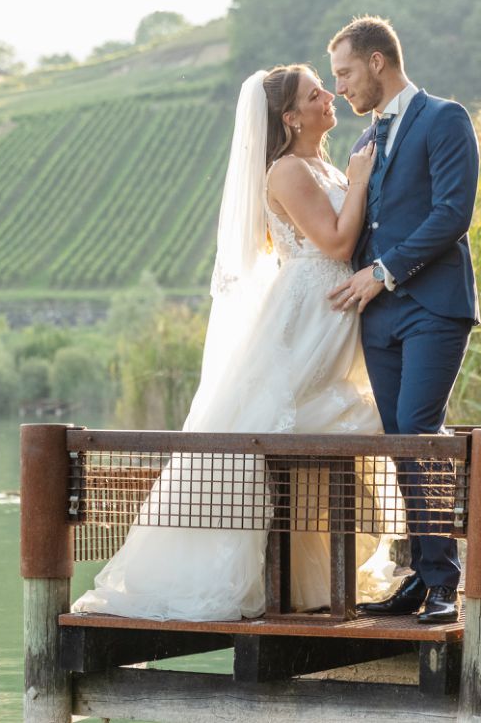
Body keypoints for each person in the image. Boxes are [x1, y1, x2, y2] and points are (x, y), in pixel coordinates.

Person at [71, 64, 402, 621]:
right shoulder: (287, 170)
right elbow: (337, 242)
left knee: (336, 425)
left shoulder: (324, 164)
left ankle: (304, 582)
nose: (329, 95)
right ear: (290, 118)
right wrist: (362, 180)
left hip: (336, 308)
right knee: (307, 420)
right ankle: (224, 576)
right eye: (314, 93)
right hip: (311, 309)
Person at [327, 17, 480, 624]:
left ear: (377, 62)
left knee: (419, 432)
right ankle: (422, 575)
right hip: (379, 317)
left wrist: (383, 271)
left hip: (434, 306)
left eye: (345, 72)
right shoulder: (365, 141)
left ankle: (444, 583)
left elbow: (453, 213)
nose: (340, 87)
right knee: (399, 442)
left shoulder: (445, 118)